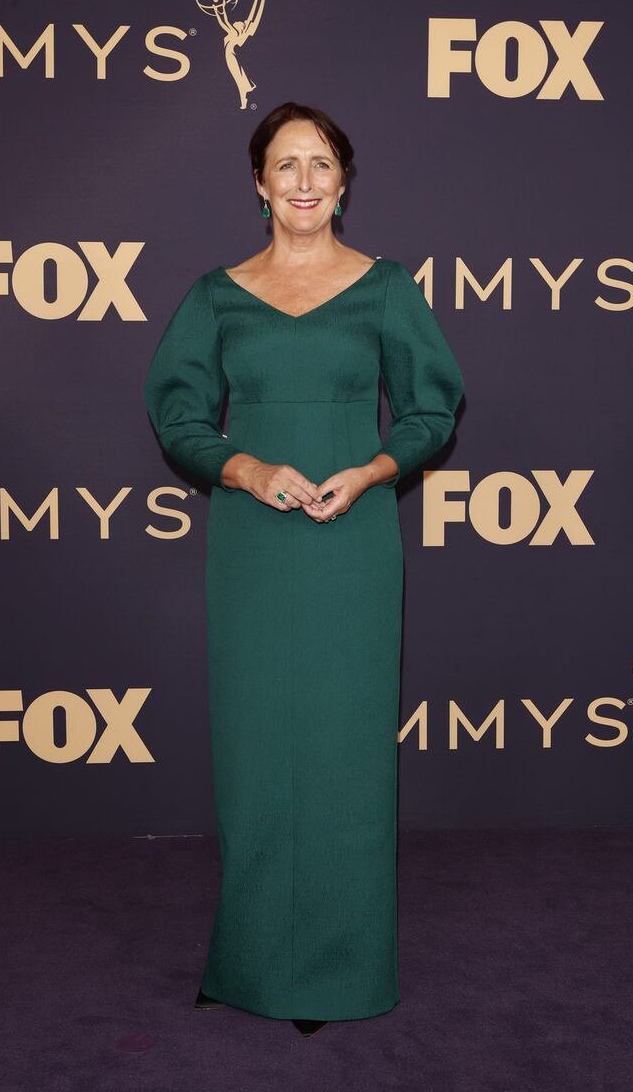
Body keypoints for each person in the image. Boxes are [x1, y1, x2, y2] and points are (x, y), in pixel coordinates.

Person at [144, 101, 465, 1039]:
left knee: (345, 756)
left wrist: (370, 473)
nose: (304, 181)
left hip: (353, 542)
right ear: (258, 182)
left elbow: (428, 410)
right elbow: (179, 416)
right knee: (256, 752)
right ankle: (247, 959)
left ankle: (340, 969)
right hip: (254, 541)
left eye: (320, 163)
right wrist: (245, 467)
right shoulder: (214, 294)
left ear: (344, 179)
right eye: (285, 165)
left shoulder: (385, 288)